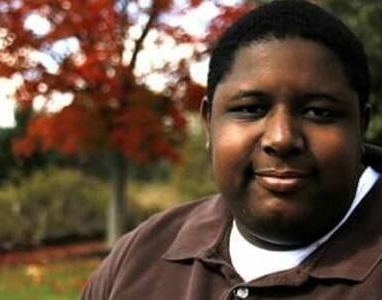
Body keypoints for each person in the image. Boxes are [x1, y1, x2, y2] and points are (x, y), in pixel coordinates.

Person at [81, 1, 382, 299]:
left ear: (361, 125)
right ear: (209, 123)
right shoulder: (139, 257)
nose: (281, 138)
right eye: (251, 108)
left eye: (318, 112)